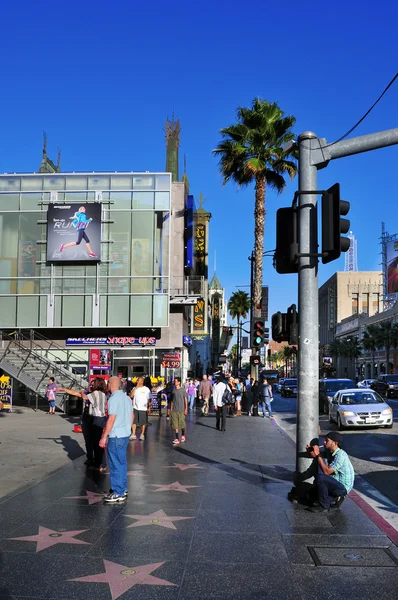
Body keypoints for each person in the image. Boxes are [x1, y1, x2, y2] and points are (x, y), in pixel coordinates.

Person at [99, 377, 133, 503]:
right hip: (124, 434)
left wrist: (104, 437)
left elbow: (111, 419)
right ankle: (123, 488)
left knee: (115, 464)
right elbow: (132, 415)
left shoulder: (113, 399)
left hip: (116, 436)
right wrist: (129, 429)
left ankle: (118, 492)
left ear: (110, 384)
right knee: (122, 463)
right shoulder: (127, 398)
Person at [306, 431, 355, 513]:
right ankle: (336, 498)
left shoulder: (340, 455)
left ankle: (324, 506)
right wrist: (312, 452)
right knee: (311, 495)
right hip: (335, 483)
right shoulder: (329, 452)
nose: (324, 442)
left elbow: (326, 471)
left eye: (327, 440)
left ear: (335, 443)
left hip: (342, 487)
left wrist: (318, 455)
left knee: (321, 478)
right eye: (324, 440)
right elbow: (317, 456)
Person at [81, 378, 107, 471]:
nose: (92, 386)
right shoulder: (103, 394)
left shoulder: (95, 393)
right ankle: (100, 462)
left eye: (93, 384)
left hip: (97, 418)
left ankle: (101, 463)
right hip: (102, 418)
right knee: (98, 441)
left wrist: (81, 392)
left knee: (97, 443)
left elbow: (84, 397)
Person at [129, 376, 151, 441]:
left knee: (143, 422)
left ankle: (142, 434)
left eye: (138, 380)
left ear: (142, 381)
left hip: (143, 408)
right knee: (134, 421)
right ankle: (133, 434)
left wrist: (149, 407)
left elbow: (149, 399)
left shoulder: (146, 389)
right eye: (137, 380)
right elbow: (131, 396)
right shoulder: (134, 388)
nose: (137, 381)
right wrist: (136, 387)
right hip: (135, 407)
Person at [170, 377, 188, 445]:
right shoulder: (173, 391)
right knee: (175, 425)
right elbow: (172, 401)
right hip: (174, 410)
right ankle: (177, 438)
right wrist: (171, 409)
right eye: (174, 381)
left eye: (176, 381)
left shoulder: (183, 390)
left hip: (181, 410)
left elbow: (185, 400)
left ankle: (183, 435)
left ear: (179, 382)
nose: (175, 382)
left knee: (182, 424)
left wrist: (186, 409)